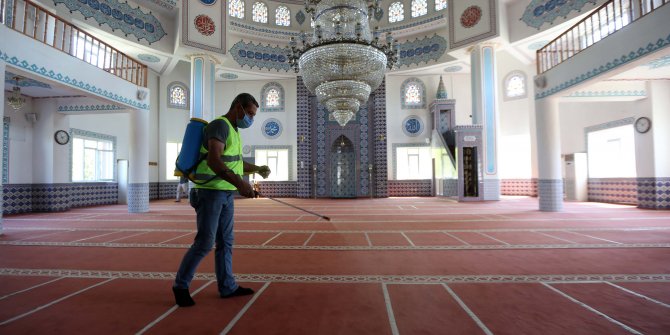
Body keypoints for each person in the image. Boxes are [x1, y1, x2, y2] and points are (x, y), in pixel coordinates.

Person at [172, 93, 271, 307]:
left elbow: (235, 162)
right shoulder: (220, 125)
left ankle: (227, 286)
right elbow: (215, 161)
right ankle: (180, 286)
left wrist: (257, 168)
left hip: (224, 193)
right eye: (250, 114)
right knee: (205, 243)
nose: (251, 119)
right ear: (238, 108)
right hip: (209, 193)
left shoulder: (234, 131)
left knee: (226, 242)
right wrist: (240, 184)